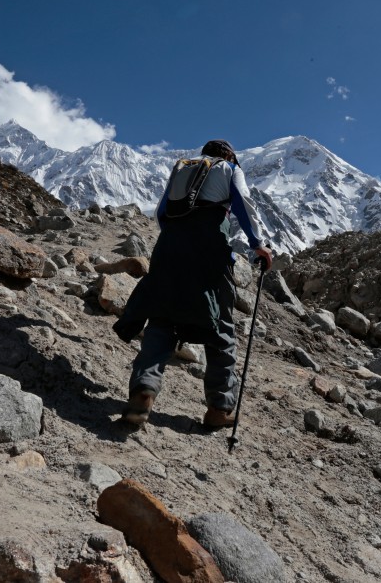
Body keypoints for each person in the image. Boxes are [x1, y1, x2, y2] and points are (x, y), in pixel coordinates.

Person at [113, 139, 273, 428]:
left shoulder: (182, 168)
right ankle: (218, 410)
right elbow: (242, 205)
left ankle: (143, 392)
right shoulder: (228, 168)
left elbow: (162, 213)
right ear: (229, 155)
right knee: (220, 326)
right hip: (208, 251)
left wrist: (178, 240)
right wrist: (258, 245)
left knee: (161, 320)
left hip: (169, 249)